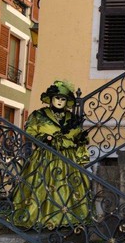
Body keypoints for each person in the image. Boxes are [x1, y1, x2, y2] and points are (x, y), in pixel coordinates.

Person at [12, 80, 91, 229]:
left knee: (68, 187)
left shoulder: (72, 118)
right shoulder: (39, 115)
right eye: (57, 98)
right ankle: (39, 218)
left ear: (67, 101)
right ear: (51, 98)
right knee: (41, 186)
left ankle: (66, 219)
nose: (60, 101)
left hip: (68, 158)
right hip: (45, 156)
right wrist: (43, 139)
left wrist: (80, 139)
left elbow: (78, 136)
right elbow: (29, 133)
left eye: (63, 99)